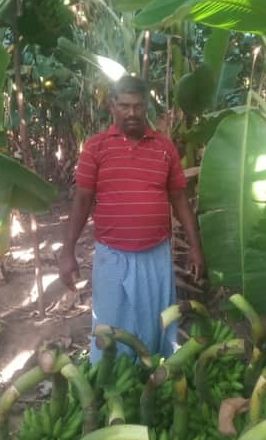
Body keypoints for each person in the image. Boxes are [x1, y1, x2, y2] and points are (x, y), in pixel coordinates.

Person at [58, 75, 204, 362]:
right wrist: (67, 251)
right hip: (111, 255)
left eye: (137, 106)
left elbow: (180, 200)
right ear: (113, 106)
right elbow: (83, 200)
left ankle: (153, 379)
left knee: (154, 323)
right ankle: (108, 387)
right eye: (124, 106)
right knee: (109, 327)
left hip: (156, 254)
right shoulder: (96, 148)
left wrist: (196, 248)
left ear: (146, 106)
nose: (132, 113)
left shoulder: (164, 147)